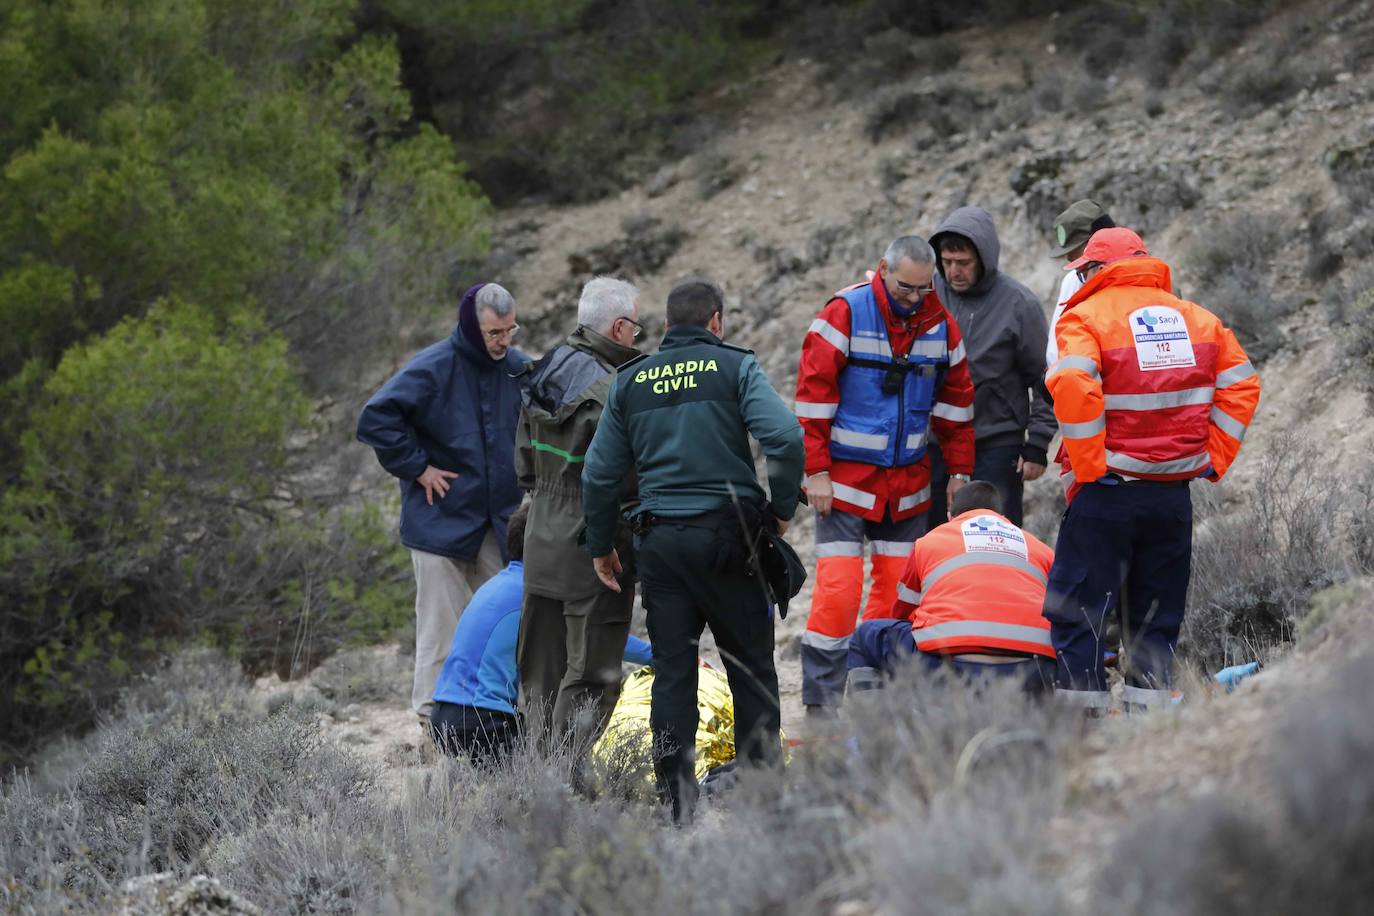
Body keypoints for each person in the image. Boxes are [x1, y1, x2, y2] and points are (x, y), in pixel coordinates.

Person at [582, 279, 804, 823]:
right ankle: (761, 793)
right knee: (750, 667)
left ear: (665, 327)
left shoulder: (632, 380)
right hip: (730, 542)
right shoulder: (734, 366)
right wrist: (781, 509)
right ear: (717, 322)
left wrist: (600, 546)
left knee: (674, 673)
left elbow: (598, 474)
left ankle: (676, 803)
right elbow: (786, 438)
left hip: (660, 547)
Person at [1042, 228, 1261, 711]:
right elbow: (1242, 385)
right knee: (1153, 620)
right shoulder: (1199, 320)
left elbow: (1074, 383)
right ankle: (1150, 729)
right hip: (1172, 497)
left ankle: (1085, 733)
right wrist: (1210, 457)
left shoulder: (1085, 316)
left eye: (1082, 270)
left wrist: (1088, 464)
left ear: (1096, 270)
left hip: (1107, 491)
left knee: (1081, 614)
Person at [794, 236, 976, 714]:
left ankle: (874, 700)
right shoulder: (845, 312)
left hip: (907, 489)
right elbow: (813, 399)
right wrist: (815, 472)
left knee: (898, 600)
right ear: (882, 270)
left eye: (924, 288)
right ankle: (822, 705)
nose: (915, 298)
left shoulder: (941, 324)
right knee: (839, 592)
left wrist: (960, 471)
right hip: (844, 486)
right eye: (905, 288)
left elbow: (956, 407)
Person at [357, 282, 529, 725]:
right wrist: (418, 468)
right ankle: (431, 721)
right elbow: (376, 417)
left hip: (499, 522)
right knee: (440, 629)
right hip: (440, 519)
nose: (504, 341)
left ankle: (520, 713)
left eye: (510, 331)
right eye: (495, 333)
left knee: (521, 616)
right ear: (473, 326)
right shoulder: (433, 366)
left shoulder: (519, 369)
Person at [515, 276, 644, 756]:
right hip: (594, 539)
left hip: (539, 534)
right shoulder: (616, 387)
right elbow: (621, 477)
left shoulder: (542, 369)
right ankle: (567, 784)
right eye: (636, 327)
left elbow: (524, 468)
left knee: (540, 669)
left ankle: (533, 775)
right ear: (617, 326)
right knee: (592, 670)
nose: (637, 338)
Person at [431, 503, 654, 764]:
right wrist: (657, 656)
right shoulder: (535, 593)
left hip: (444, 716)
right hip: (484, 721)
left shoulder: (496, 585)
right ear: (547, 545)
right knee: (545, 775)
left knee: (489, 788)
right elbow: (597, 635)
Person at [846, 481, 1056, 693]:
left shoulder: (930, 542)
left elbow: (903, 613)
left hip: (948, 665)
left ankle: (877, 723)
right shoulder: (1041, 549)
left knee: (865, 637)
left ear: (950, 517)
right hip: (1034, 668)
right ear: (1003, 517)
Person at [927, 206, 1057, 527]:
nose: (954, 271)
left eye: (964, 263)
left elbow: (1045, 378)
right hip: (932, 444)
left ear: (983, 258)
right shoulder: (928, 293)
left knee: (994, 536)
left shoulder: (1018, 304)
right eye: (947, 262)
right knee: (932, 540)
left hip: (996, 445)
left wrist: (1038, 444)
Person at [1046, 199, 1116, 365]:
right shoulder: (1072, 280)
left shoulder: (1147, 279)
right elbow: (1054, 352)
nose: (1076, 269)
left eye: (1082, 264)